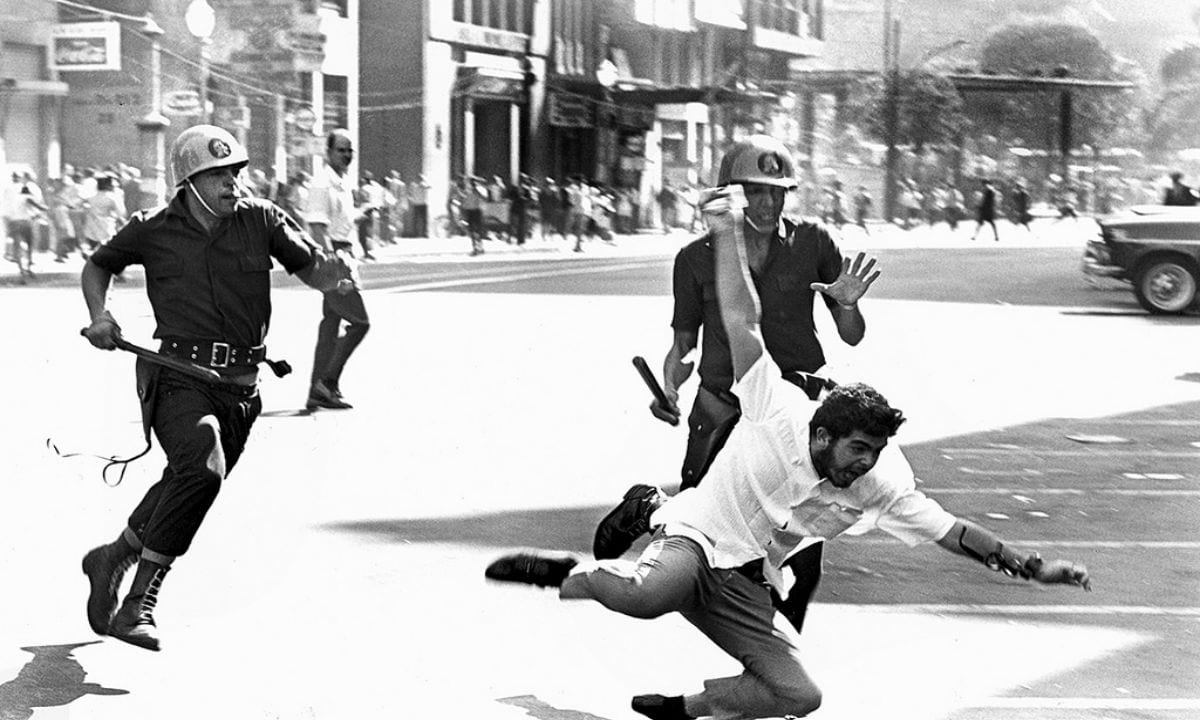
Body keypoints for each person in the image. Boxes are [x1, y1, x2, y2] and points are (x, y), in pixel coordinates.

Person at [484, 181, 1093, 720]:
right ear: (822, 436)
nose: (866, 464)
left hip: (747, 574)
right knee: (650, 594)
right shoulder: (777, 410)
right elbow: (740, 320)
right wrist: (725, 229)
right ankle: (570, 570)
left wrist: (1032, 566)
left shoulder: (879, 480)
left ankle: (688, 709)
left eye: (875, 452)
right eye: (858, 449)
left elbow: (952, 532)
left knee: (800, 695)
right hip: (698, 540)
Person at [78, 125, 353, 651]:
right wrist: (100, 316)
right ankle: (137, 605)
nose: (233, 184)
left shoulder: (261, 218)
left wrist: (335, 275)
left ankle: (112, 557)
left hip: (242, 391)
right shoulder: (152, 228)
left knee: (187, 481)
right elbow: (98, 266)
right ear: (189, 182)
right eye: (219, 175)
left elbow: (311, 269)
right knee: (203, 469)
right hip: (178, 377)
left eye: (236, 173)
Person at [591, 135, 878, 632]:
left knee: (803, 555)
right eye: (754, 192)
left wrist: (848, 305)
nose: (767, 204)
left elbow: (851, 335)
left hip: (797, 410)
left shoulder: (814, 242)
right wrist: (670, 387)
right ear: (730, 194)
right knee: (698, 532)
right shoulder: (696, 257)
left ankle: (776, 653)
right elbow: (684, 344)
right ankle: (649, 506)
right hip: (725, 405)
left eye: (777, 192)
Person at [305, 129, 371, 410]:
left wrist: (362, 212)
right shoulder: (322, 183)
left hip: (344, 253)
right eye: (341, 150)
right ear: (328, 152)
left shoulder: (342, 182)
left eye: (349, 150)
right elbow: (318, 228)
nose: (346, 155)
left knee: (330, 326)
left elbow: (340, 221)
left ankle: (317, 390)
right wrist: (334, 266)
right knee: (360, 323)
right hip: (335, 259)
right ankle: (327, 382)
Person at [970, 177, 999, 242]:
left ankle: (974, 236)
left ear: (984, 183)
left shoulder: (987, 189)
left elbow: (984, 200)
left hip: (985, 210)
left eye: (982, 183)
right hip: (989, 209)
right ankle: (996, 236)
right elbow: (991, 200)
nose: (982, 185)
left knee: (980, 223)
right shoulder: (991, 190)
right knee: (992, 223)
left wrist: (979, 206)